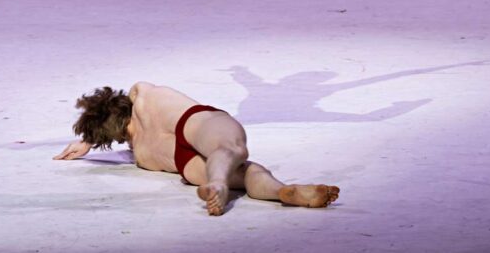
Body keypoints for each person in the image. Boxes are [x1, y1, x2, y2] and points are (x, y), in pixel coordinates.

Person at [54, 82, 339, 216]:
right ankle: (232, 183)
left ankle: (268, 191)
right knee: (230, 149)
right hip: (192, 123)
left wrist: (89, 139)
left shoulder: (142, 155)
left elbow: (104, 121)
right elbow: (116, 100)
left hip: (182, 163)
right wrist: (89, 136)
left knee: (245, 174)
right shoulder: (142, 96)